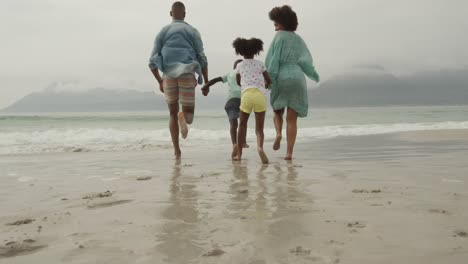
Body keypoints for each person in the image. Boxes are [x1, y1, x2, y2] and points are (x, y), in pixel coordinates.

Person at [148, 1, 208, 159]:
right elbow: (202, 58)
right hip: (187, 74)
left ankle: (176, 151)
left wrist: (159, 81)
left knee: (171, 114)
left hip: (168, 76)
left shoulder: (163, 31)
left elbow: (152, 61)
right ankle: (184, 116)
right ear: (185, 14)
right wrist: (206, 81)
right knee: (188, 117)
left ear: (171, 14)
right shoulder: (192, 31)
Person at [265, 5, 320, 160]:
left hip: (281, 75)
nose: (274, 27)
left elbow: (272, 60)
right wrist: (313, 75)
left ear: (283, 22)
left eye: (276, 23)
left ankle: (278, 134)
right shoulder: (299, 39)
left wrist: (269, 79)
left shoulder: (279, 37)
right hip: (297, 77)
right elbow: (306, 61)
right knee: (292, 119)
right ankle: (289, 153)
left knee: (277, 110)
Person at [231, 38, 272, 164]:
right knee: (259, 128)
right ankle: (260, 147)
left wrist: (244, 84)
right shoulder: (260, 64)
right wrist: (263, 87)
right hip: (260, 95)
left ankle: (239, 154)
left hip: (247, 95)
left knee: (242, 125)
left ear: (241, 53)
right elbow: (269, 81)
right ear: (256, 51)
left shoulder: (239, 65)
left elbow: (238, 81)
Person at [201, 59, 250, 159]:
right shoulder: (246, 74)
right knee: (243, 123)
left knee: (233, 124)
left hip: (231, 101)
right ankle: (243, 142)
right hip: (244, 99)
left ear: (234, 67)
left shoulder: (229, 74)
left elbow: (216, 79)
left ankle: (234, 144)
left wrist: (206, 85)